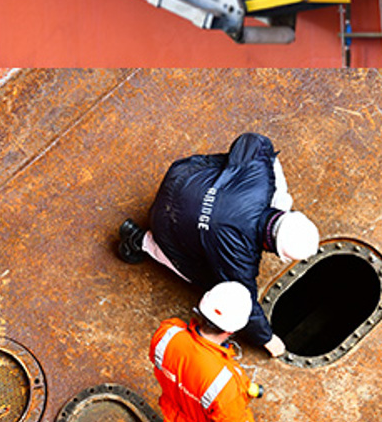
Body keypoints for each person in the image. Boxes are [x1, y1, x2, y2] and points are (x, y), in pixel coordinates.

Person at [117, 132, 319, 357]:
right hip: (164, 220)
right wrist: (267, 339)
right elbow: (243, 300)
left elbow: (254, 141)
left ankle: (212, 194)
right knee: (208, 279)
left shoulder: (261, 181)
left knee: (228, 179)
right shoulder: (239, 256)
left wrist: (234, 178)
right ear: (274, 249)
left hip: (182, 178)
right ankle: (141, 240)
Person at [150, 282, 296, 422]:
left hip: (177, 413)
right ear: (230, 331)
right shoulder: (224, 384)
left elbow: (178, 366)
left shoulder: (167, 333)